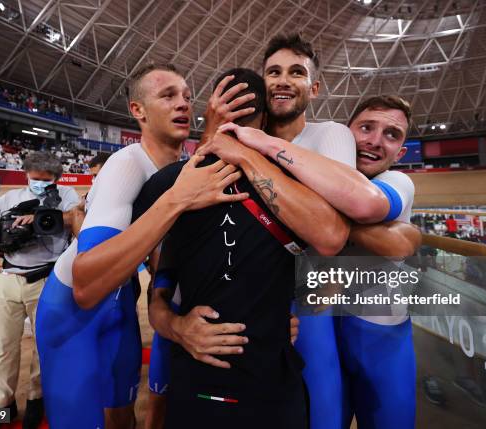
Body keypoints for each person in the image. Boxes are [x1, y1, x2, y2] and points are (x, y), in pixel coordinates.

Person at [35, 63, 249, 429]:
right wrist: (176, 201)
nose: (183, 104)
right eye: (167, 95)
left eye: (186, 96)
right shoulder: (127, 165)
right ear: (138, 111)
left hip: (121, 309)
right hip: (73, 315)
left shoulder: (181, 169)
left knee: (123, 419)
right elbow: (87, 284)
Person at [134, 66, 350, 429]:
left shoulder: (170, 182)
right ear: (265, 120)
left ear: (211, 114)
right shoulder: (296, 184)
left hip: (202, 377)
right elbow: (332, 240)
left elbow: (158, 270)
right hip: (271, 379)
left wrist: (170, 321)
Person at [226, 93, 420, 429]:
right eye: (366, 128)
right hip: (320, 334)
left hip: (381, 344)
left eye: (392, 135)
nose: (375, 141)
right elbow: (393, 240)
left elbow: (380, 225)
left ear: (401, 153)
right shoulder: (316, 173)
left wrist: (314, 212)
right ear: (346, 135)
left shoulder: (397, 181)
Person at [0, 152, 81, 429]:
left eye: (46, 181)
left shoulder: (67, 195)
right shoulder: (10, 197)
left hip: (46, 280)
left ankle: (37, 399)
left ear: (56, 179)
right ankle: (3, 405)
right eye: (35, 179)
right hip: (9, 278)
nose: (40, 185)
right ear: (26, 175)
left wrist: (39, 217)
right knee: (4, 348)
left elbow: (75, 218)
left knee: (42, 347)